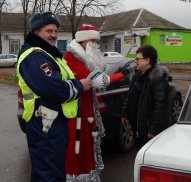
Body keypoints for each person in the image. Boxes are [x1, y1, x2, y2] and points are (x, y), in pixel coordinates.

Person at [16, 12, 92, 182]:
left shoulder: (47, 54)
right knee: (50, 175)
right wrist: (81, 85)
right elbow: (55, 90)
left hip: (52, 123)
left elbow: (63, 80)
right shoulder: (35, 56)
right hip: (45, 125)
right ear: (36, 32)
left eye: (55, 31)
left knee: (48, 172)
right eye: (48, 31)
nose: (54, 35)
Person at [64, 24, 124, 181]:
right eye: (93, 41)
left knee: (87, 144)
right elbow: (96, 81)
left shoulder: (84, 58)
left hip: (86, 108)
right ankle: (77, 176)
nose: (96, 45)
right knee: (78, 146)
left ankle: (88, 175)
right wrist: (120, 75)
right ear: (84, 41)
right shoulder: (72, 57)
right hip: (77, 111)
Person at [121, 45, 173, 151]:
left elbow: (160, 106)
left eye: (137, 59)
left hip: (149, 129)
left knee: (151, 156)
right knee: (140, 152)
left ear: (147, 60)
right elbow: (130, 96)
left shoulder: (157, 79)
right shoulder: (137, 76)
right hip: (139, 126)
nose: (135, 61)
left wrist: (153, 129)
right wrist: (125, 113)